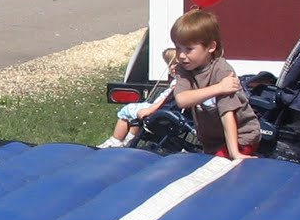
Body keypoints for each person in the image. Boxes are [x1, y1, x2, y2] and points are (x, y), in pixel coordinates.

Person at [170, 9, 259, 160]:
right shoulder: (185, 70)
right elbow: (182, 99)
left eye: (189, 49)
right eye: (178, 48)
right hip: (212, 141)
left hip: (240, 136)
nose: (182, 55)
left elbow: (227, 113)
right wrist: (218, 88)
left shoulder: (222, 71)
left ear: (211, 47)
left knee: (217, 169)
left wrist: (235, 153)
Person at [99, 48, 177, 147]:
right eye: (170, 65)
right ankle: (129, 139)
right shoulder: (185, 81)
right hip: (164, 109)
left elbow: (166, 99)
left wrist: (150, 109)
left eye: (176, 64)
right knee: (135, 116)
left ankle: (116, 140)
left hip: (159, 110)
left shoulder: (178, 84)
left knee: (126, 112)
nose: (172, 68)